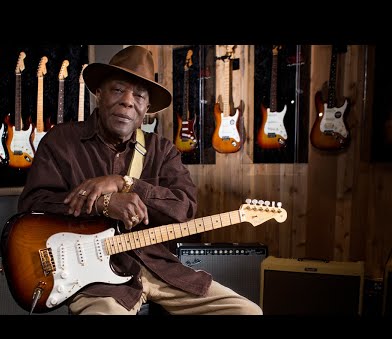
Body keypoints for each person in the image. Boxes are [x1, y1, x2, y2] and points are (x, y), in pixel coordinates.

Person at [17, 45, 263, 315]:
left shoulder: (163, 150)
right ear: (99, 93)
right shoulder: (61, 142)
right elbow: (32, 206)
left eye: (139, 96)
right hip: (94, 282)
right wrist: (102, 204)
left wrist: (126, 183)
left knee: (247, 312)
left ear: (146, 108)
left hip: (158, 268)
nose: (128, 101)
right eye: (118, 90)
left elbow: (185, 208)